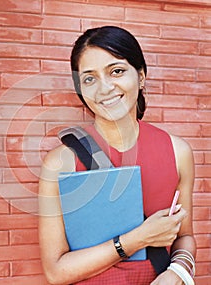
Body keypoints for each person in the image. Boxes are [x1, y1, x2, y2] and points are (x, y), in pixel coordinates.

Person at [38, 26, 196, 285]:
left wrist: (177, 272)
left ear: (141, 76)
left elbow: (185, 237)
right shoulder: (60, 162)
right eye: (90, 78)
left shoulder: (177, 152)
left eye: (117, 71)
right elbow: (56, 271)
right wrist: (137, 239)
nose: (104, 88)